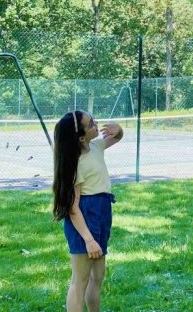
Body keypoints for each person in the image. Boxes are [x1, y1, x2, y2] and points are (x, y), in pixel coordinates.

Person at [52, 110, 123, 312]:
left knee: (98, 276)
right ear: (81, 137)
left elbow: (116, 137)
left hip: (101, 214)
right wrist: (89, 240)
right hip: (84, 220)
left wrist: (119, 130)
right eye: (91, 123)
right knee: (80, 281)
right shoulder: (75, 164)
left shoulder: (95, 146)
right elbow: (73, 208)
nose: (96, 124)